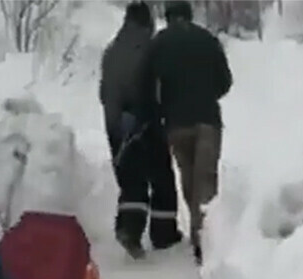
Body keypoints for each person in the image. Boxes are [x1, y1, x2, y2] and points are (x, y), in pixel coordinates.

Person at [142, 0, 233, 264]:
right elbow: (225, 81)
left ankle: (199, 231)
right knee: (205, 181)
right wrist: (207, 94)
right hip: (207, 120)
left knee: (188, 177)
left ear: (169, 17)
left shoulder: (158, 44)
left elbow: (148, 84)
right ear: (189, 15)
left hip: (176, 124)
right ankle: (203, 239)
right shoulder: (207, 39)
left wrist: (163, 107)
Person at [100, 0, 183, 259]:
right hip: (143, 121)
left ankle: (129, 229)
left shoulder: (112, 50)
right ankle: (163, 233)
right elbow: (155, 86)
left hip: (114, 125)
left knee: (131, 179)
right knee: (162, 178)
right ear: (146, 22)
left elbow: (105, 90)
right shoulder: (149, 48)